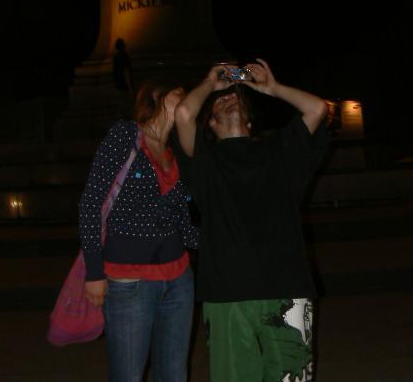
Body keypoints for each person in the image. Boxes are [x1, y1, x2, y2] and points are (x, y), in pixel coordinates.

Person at [174, 59, 329, 382]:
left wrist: (273, 88)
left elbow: (316, 108)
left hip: (286, 289)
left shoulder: (280, 149)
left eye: (235, 97)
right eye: (220, 101)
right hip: (226, 294)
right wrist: (210, 82)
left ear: (249, 121)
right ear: (211, 124)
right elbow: (184, 114)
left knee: (292, 377)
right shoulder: (205, 161)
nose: (229, 97)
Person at [79, 78, 198, 382]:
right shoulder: (125, 136)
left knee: (174, 374)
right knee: (128, 375)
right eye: (180, 94)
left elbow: (183, 223)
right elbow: (91, 202)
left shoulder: (177, 151)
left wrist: (225, 242)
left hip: (179, 281)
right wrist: (94, 271)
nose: (188, 102)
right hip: (129, 281)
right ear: (156, 97)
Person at [112, 38, 134, 119]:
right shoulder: (125, 56)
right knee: (127, 105)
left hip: (118, 84)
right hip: (125, 85)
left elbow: (116, 72)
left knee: (121, 105)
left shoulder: (116, 57)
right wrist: (130, 86)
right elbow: (126, 71)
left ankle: (122, 118)